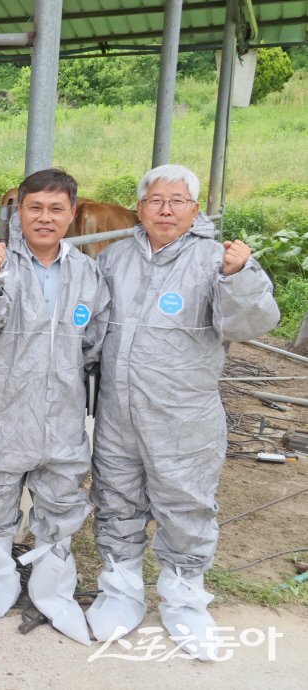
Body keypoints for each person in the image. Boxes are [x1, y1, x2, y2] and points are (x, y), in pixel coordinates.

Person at [87, 164, 279, 659]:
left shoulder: (216, 260)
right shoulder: (115, 258)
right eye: (156, 200)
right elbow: (92, 328)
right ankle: (121, 589)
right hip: (117, 409)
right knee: (116, 496)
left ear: (195, 210)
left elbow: (251, 325)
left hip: (183, 413)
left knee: (186, 502)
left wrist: (239, 277)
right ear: (139, 208)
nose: (166, 210)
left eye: (178, 201)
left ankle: (184, 598)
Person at [0, 169, 109, 644]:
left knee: (61, 496)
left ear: (72, 213)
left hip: (61, 408)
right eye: (35, 208)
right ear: (18, 211)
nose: (45, 218)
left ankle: (52, 590)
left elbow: (95, 339)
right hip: (0, 406)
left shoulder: (86, 272)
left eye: (55, 209)